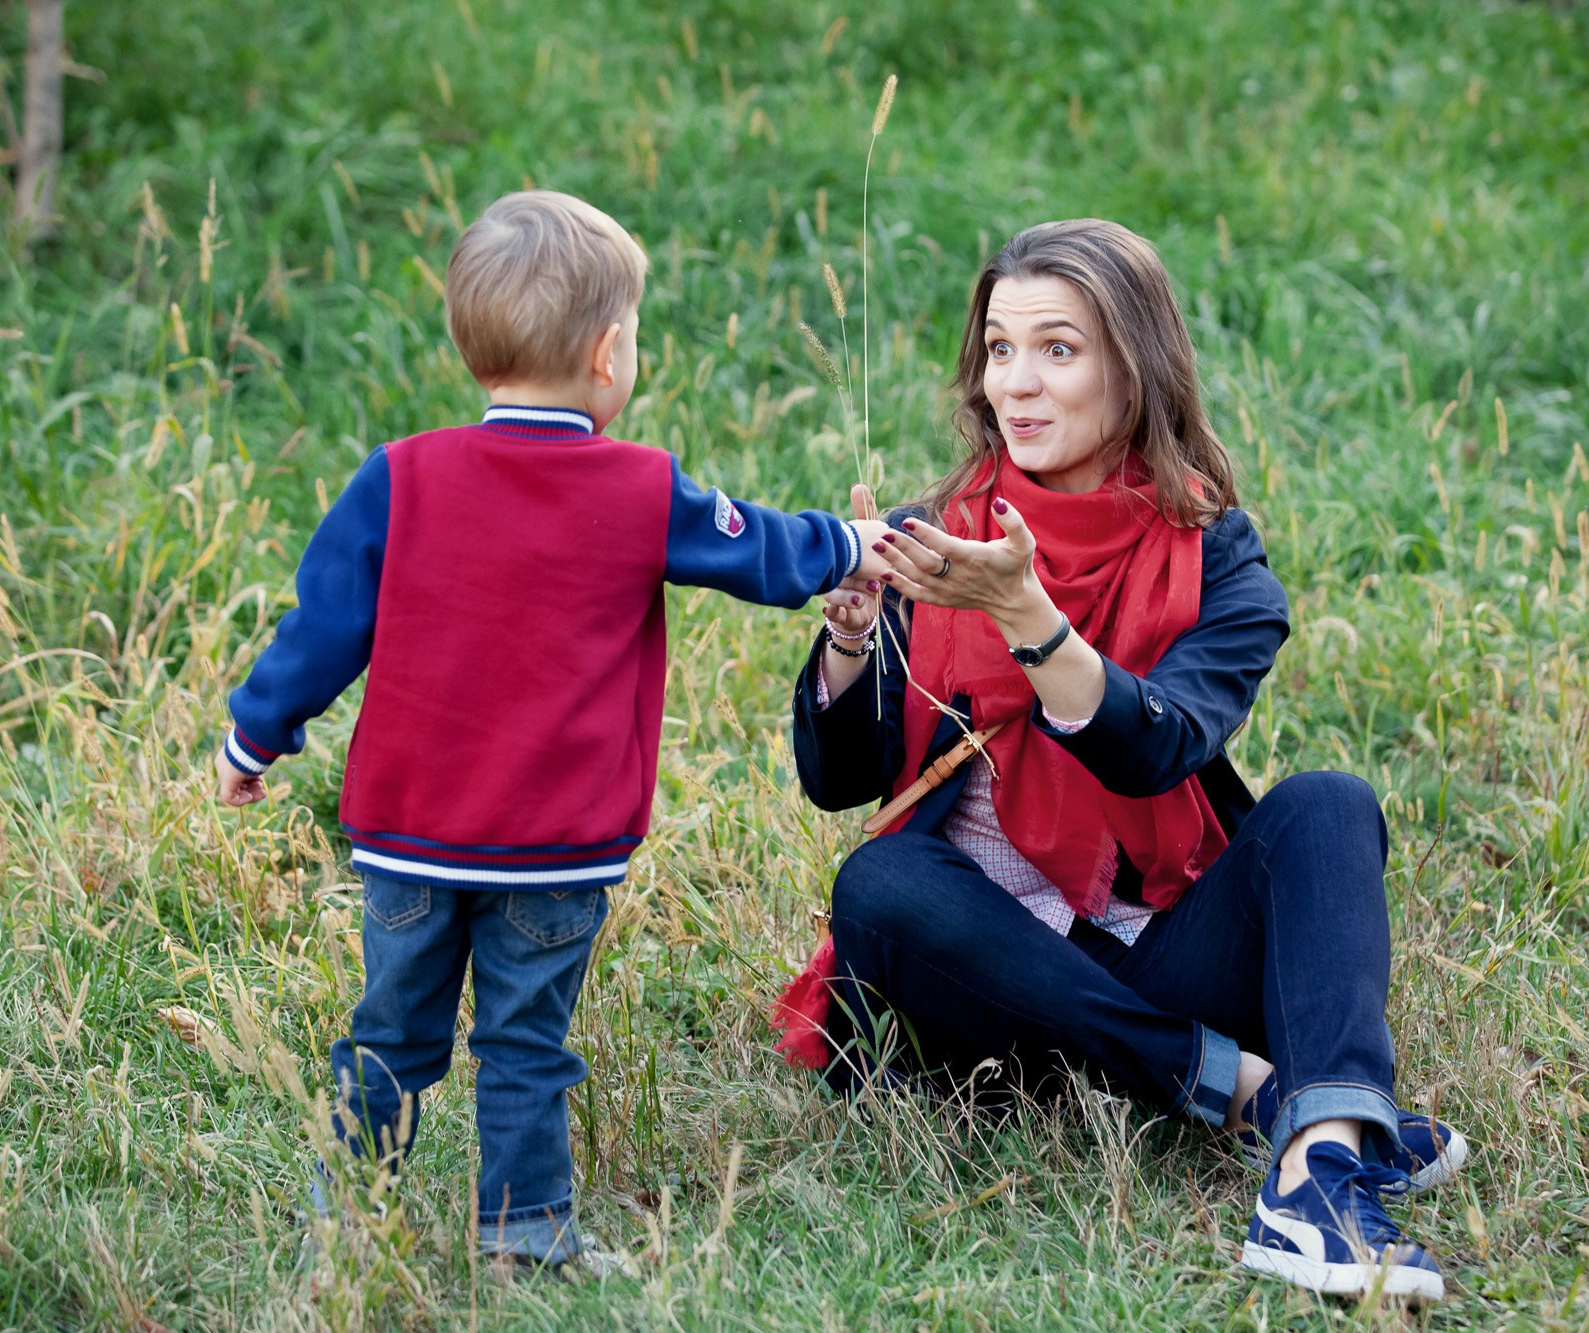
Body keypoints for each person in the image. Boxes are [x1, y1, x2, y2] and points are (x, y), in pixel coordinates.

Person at [774, 219, 1466, 1302]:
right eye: (999, 349)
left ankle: (1318, 1169)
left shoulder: (1216, 558)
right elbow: (839, 784)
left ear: (1133, 366)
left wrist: (1024, 614)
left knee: (1329, 805)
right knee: (879, 882)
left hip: (1147, 945)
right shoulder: (936, 533)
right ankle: (1247, 1088)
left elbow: (1154, 749)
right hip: (982, 993)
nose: (1018, 383)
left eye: (1058, 349)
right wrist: (854, 635)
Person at [214, 190, 893, 1271]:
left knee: (386, 1037)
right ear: (608, 352)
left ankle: (340, 1233)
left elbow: (321, 628)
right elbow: (762, 552)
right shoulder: (636, 486)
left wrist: (255, 737)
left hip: (407, 837)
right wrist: (852, 539)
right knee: (525, 1044)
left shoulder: (399, 476)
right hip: (553, 848)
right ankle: (522, 1236)